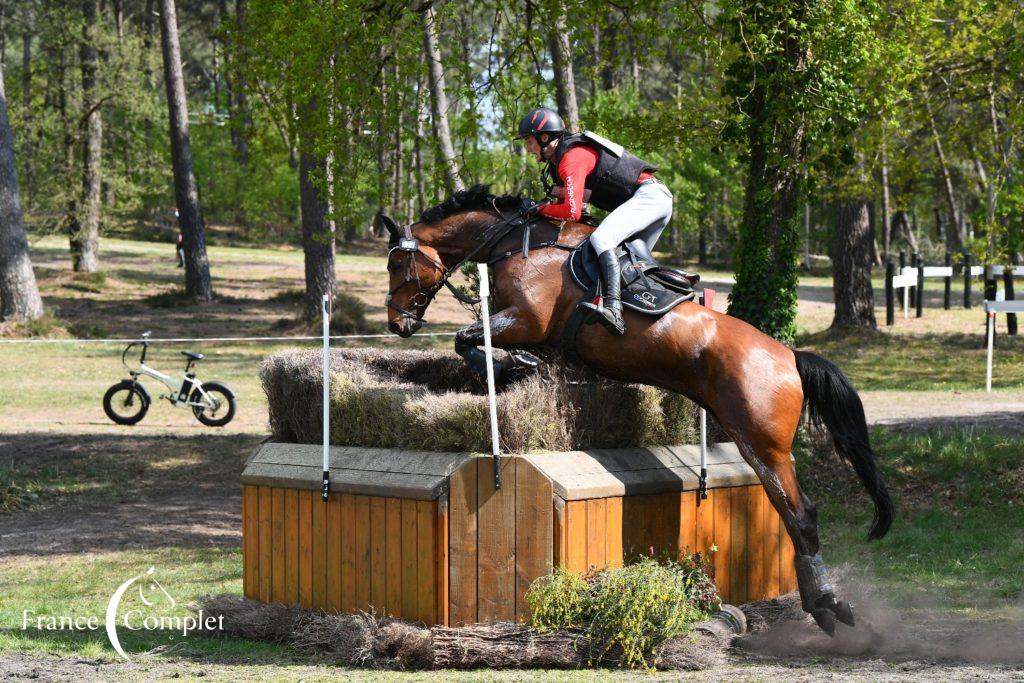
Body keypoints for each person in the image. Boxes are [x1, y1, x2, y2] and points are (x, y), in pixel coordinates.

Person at [515, 106, 672, 335]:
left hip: (649, 197)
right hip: (653, 198)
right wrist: (556, 198)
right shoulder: (569, 155)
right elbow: (590, 195)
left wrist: (540, 209)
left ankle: (614, 309)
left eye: (529, 141)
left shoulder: (570, 157)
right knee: (631, 266)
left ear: (545, 137)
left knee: (602, 239)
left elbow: (572, 213)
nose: (528, 148)